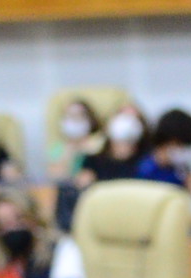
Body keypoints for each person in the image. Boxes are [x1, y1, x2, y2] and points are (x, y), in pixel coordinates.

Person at [51, 100, 148, 233]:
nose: (127, 124)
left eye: (133, 119)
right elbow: (77, 186)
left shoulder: (148, 160)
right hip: (100, 220)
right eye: (122, 117)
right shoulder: (94, 159)